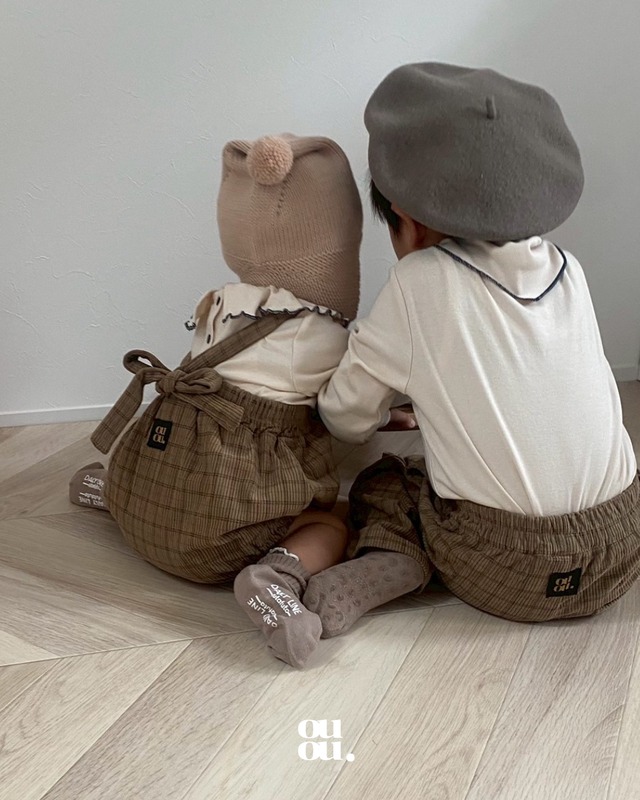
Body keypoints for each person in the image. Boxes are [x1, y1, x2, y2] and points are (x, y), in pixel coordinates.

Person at [302, 63, 640, 636]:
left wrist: (376, 412)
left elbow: (345, 416)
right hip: (620, 547)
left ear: (406, 219)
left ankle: (395, 557)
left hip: (503, 567)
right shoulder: (568, 268)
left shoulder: (417, 282)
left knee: (389, 481)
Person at [70, 133, 364, 668]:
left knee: (169, 468)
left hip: (148, 498)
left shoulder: (218, 302)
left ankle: (108, 491)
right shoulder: (320, 330)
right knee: (331, 522)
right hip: (219, 540)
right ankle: (275, 576)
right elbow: (348, 414)